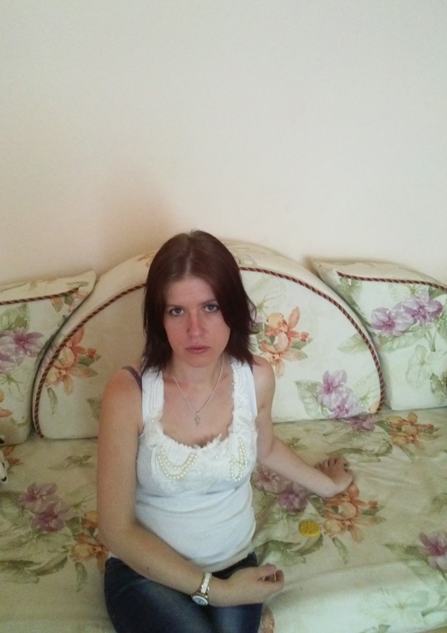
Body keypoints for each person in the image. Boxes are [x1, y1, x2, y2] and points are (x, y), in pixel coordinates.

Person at [97, 230, 353, 633]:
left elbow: (265, 446)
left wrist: (327, 486)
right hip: (146, 570)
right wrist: (217, 591)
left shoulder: (256, 377)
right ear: (158, 318)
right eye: (176, 311)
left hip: (233, 560)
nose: (195, 330)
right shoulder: (129, 393)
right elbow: (117, 529)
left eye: (210, 307)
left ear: (232, 308)